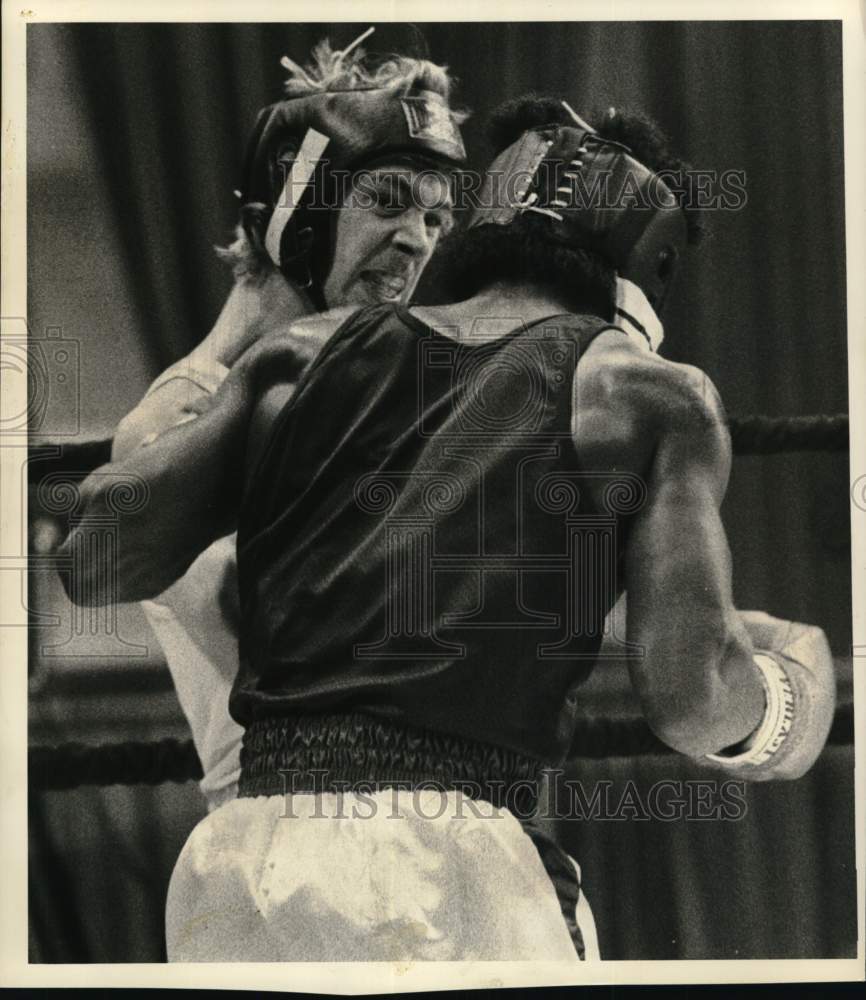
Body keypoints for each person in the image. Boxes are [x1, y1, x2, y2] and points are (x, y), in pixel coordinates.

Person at [61, 97, 836, 961]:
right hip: (453, 866)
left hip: (242, 867)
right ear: (646, 270)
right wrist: (792, 703)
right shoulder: (649, 393)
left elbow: (93, 560)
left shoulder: (298, 357)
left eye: (432, 213)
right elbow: (694, 701)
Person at [107, 31, 467, 810]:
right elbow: (290, 644)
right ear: (300, 205)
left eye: (438, 222)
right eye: (388, 201)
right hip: (284, 835)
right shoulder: (178, 419)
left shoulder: (378, 399)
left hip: (418, 824)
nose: (416, 242)